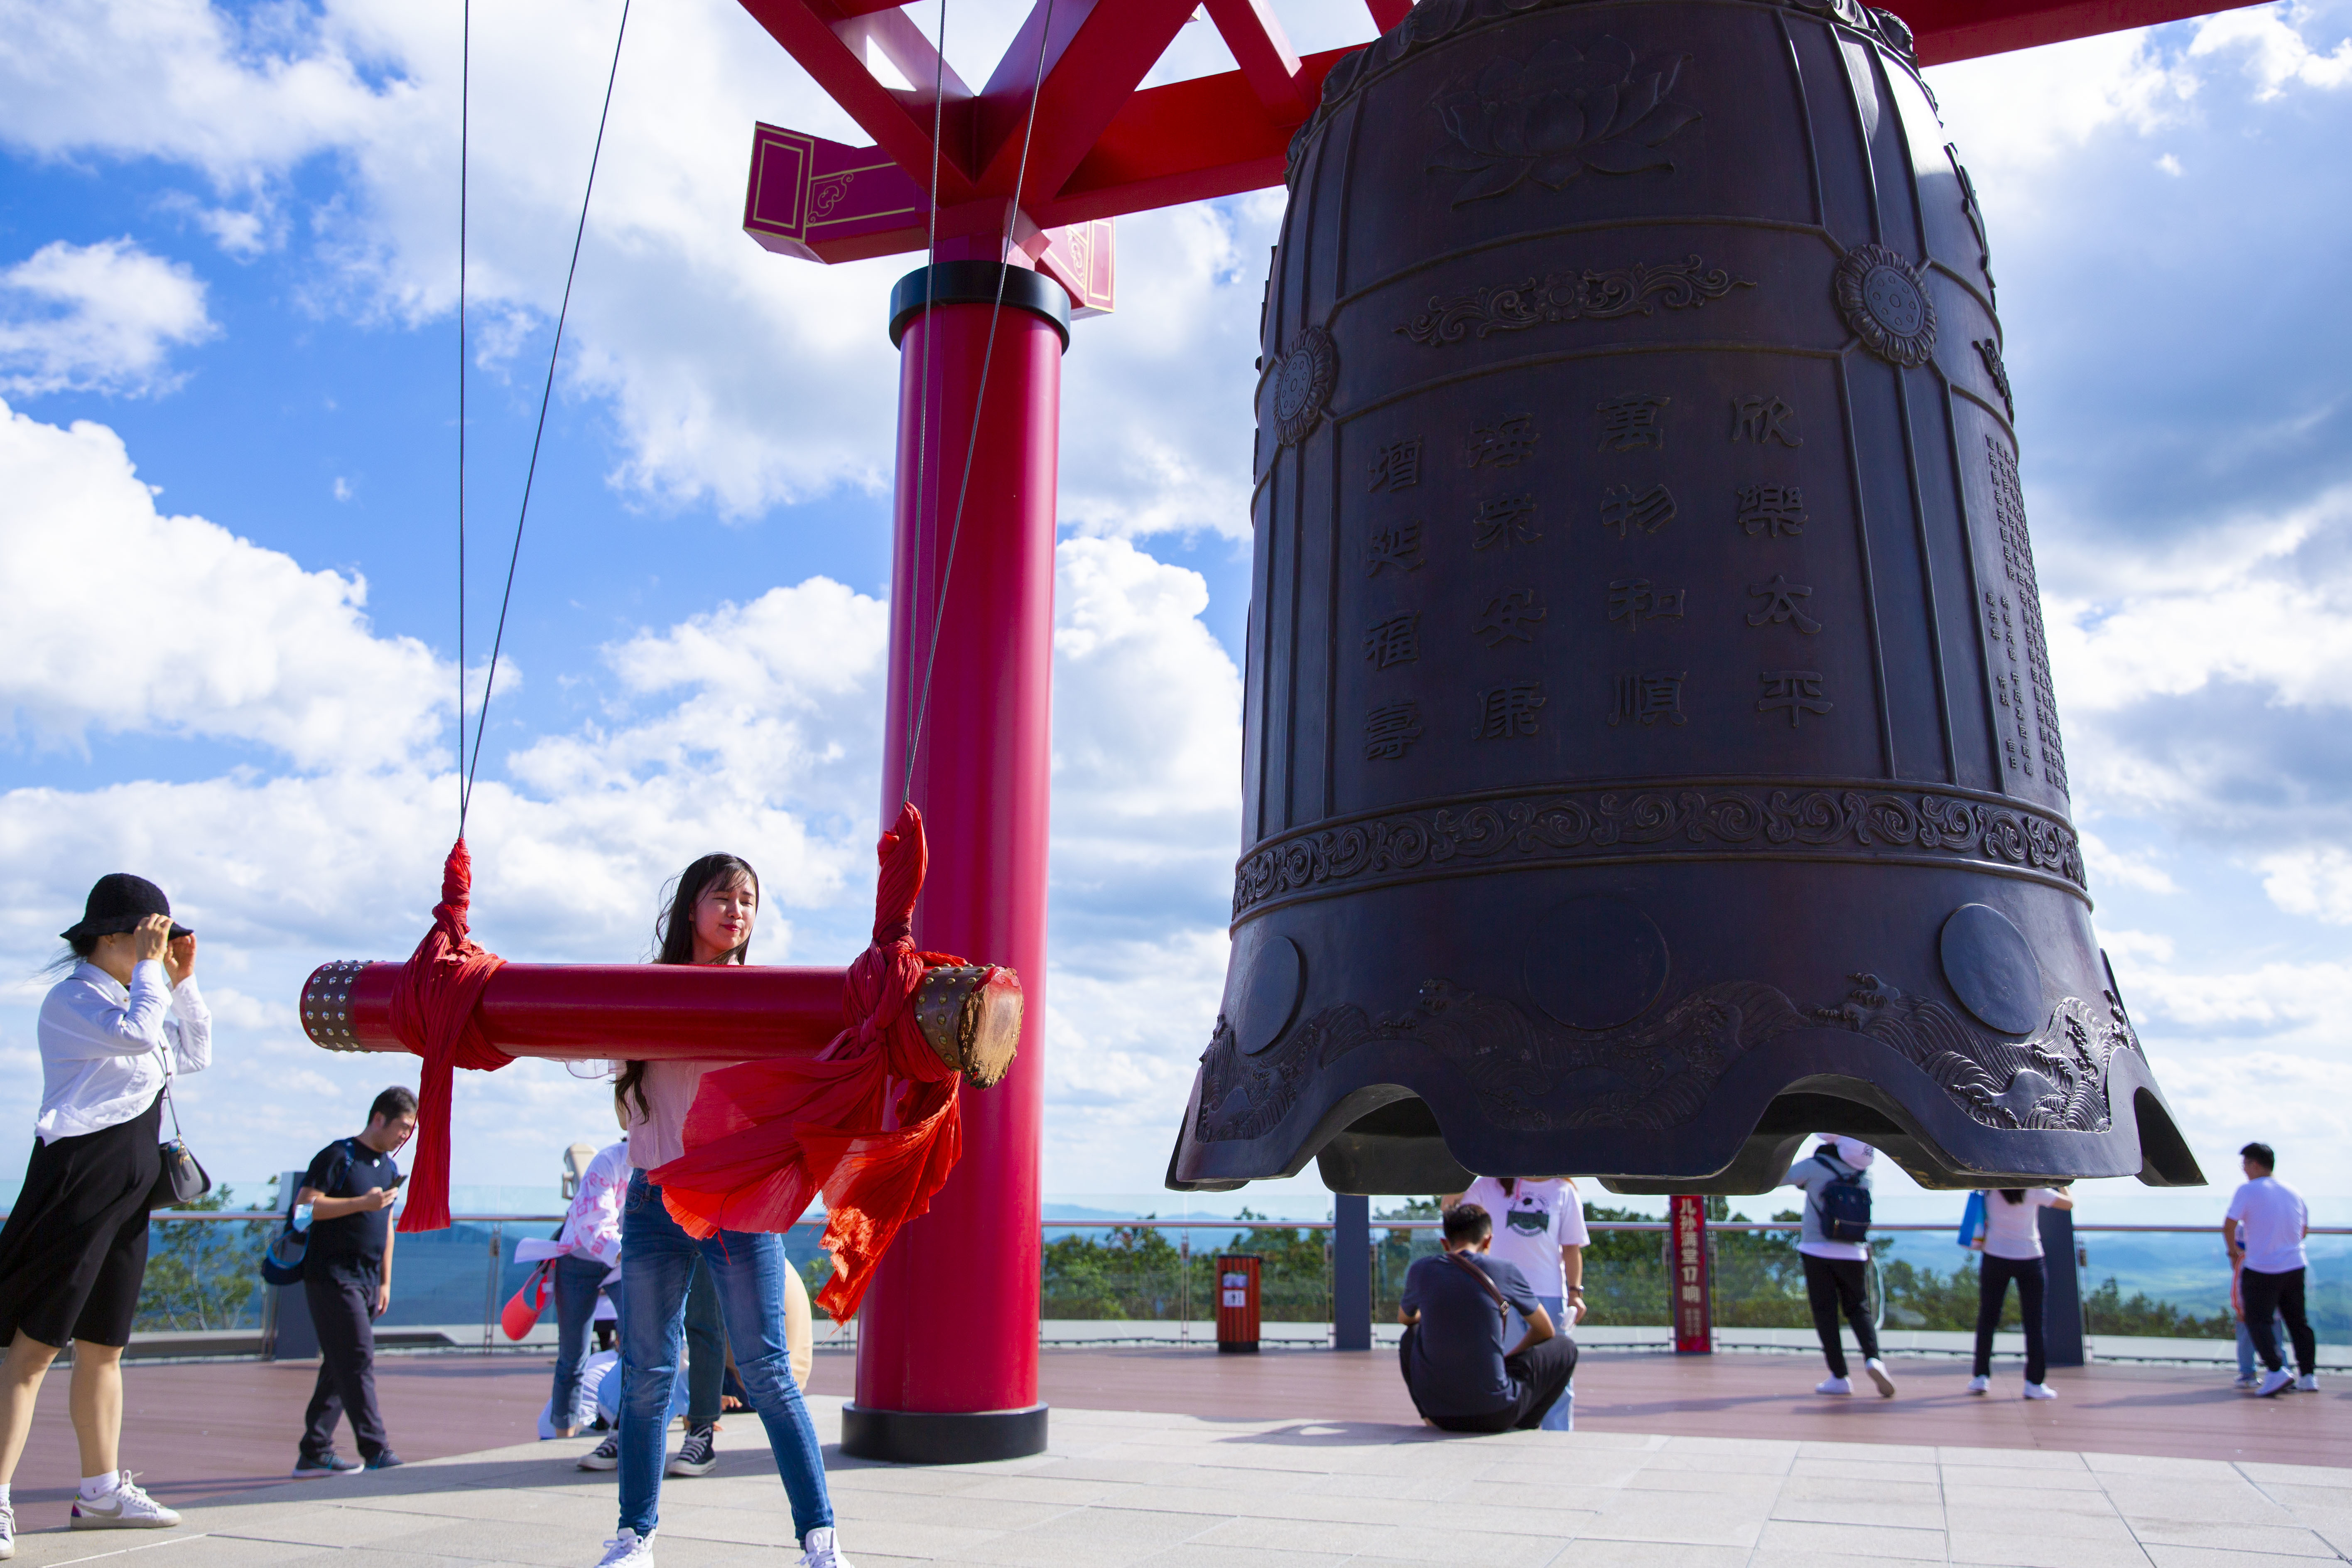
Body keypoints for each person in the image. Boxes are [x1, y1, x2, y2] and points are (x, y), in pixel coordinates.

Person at [596, 854, 848, 1568]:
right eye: (722, 897)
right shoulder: (643, 989)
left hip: (736, 1199)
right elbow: (596, 1049)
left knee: (767, 1370)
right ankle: (634, 1537)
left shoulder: (769, 997)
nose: (737, 911)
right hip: (652, 1195)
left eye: (747, 900)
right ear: (690, 910)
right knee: (646, 1372)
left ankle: (820, 1540)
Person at [0, 876, 211, 1551]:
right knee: (33, 1351)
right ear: (111, 938)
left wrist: (180, 981)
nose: (161, 948)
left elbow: (195, 1053)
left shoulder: (138, 993)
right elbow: (135, 1035)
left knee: (104, 1348)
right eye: (151, 936)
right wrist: (153, 976)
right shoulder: (74, 1000)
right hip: (77, 1184)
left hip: (128, 1194)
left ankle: (100, 1493)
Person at [290, 1086, 416, 1477]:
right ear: (379, 1117)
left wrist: (385, 1281)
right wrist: (361, 1203)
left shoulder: (388, 1168)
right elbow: (304, 1210)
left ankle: (314, 1451)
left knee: (339, 1364)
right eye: (402, 1127)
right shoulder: (338, 1156)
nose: (405, 1136)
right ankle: (376, 1449)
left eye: (410, 1130)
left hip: (366, 1279)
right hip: (331, 1276)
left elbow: (387, 1226)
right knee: (357, 1357)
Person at [1397, 1203, 1575, 1432]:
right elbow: (1545, 1331)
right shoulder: (1505, 1270)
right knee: (1565, 1347)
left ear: (1445, 1243)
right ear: (1488, 1241)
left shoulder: (1421, 1270)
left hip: (1440, 1414)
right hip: (1495, 1414)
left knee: (1410, 1337)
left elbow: (1406, 1319)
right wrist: (1507, 1359)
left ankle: (1427, 1417)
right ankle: (1524, 1424)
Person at [1446, 1175, 1587, 1430]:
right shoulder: (1487, 1185)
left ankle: (1558, 1436)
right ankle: (1512, 1431)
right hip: (1500, 1294)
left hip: (1549, 1294)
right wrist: (1452, 1178)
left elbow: (1571, 1248)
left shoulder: (1564, 1191)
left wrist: (1575, 1293)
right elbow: (1454, 1217)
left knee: (1557, 1375)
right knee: (1508, 1368)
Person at [1782, 1136, 1895, 1398]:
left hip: (1816, 1250)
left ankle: (1840, 1377)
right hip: (1854, 1252)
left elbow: (1777, 1178)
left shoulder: (1814, 1166)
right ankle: (1873, 1359)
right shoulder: (1864, 1177)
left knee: (1826, 1314)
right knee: (1859, 1308)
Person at [548, 1136, 628, 1440]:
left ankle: (620, 1418)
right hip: (580, 1259)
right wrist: (627, 1253)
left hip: (621, 1260)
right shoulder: (609, 1161)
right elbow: (594, 1222)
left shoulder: (662, 1160)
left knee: (637, 1340)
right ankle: (563, 1432)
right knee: (573, 1352)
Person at [2224, 1142, 2316, 1397]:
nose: (2244, 1170)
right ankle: (2308, 1376)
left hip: (2261, 1267)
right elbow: (2304, 1230)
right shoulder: (2293, 1191)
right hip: (2295, 1265)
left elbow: (2230, 1225)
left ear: (2254, 1164)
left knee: (2256, 1320)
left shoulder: (2248, 1190)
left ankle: (2276, 1371)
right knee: (2299, 1323)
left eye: (2244, 1164)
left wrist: (2234, 1254)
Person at [1965, 1185, 2072, 1399]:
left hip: (1995, 1255)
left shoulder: (1991, 1188)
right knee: (2034, 1323)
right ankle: (2034, 1383)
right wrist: (2063, 1183)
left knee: (1988, 1318)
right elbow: (2069, 1204)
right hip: (2029, 1258)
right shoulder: (2035, 1191)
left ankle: (1981, 1377)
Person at [2231, 1253, 2288, 1391]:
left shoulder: (2246, 1260)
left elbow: (2238, 1286)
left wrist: (2240, 1309)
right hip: (2272, 1313)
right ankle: (2283, 1372)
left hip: (2251, 1312)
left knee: (2246, 1343)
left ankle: (2248, 1373)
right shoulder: (2279, 1257)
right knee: (2277, 1344)